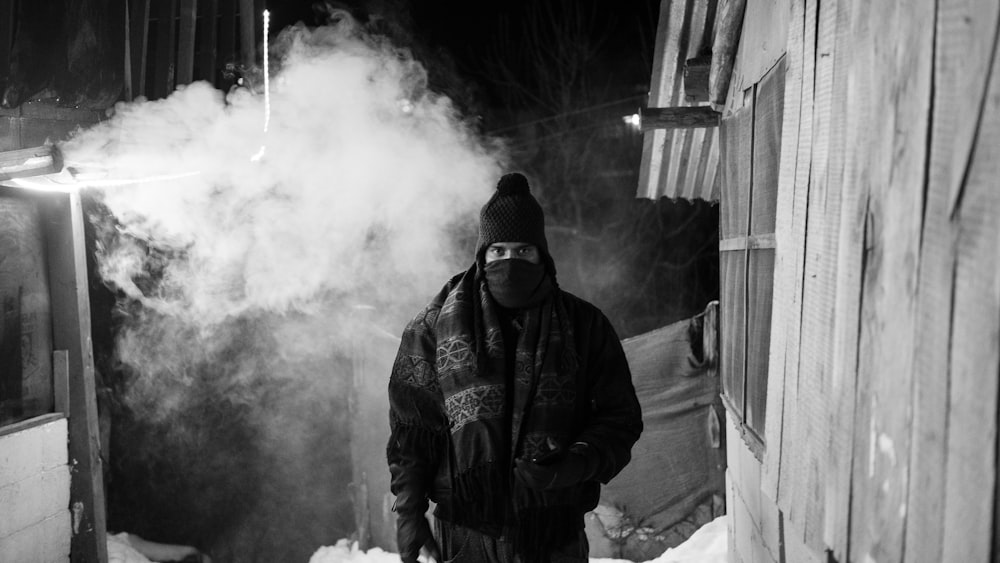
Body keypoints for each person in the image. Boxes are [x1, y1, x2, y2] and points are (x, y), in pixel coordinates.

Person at [386, 172, 643, 563]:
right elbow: (413, 433)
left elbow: (619, 418)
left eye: (523, 251)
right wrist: (409, 512)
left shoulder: (583, 325)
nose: (510, 261)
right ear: (482, 255)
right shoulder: (432, 327)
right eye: (499, 251)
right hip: (464, 537)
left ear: (542, 255)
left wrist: (574, 462)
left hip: (553, 535)